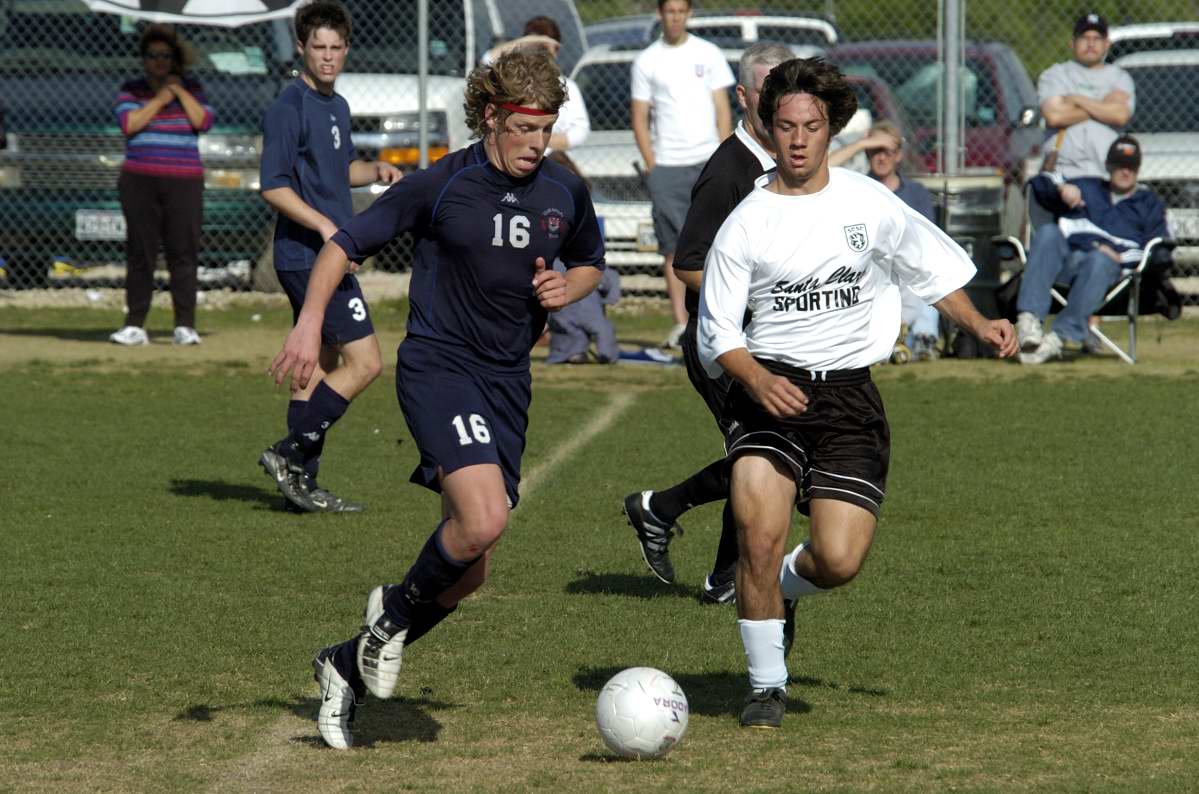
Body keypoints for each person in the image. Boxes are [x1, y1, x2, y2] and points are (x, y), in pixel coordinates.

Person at [268, 48, 605, 749]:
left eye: (546, 129)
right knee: (483, 520)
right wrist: (307, 323)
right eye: (525, 128)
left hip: (508, 382)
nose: (537, 143)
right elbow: (342, 245)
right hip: (439, 367)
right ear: (492, 117)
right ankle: (388, 619)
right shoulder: (442, 183)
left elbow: (589, 263)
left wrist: (566, 286)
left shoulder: (564, 190)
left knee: (468, 570)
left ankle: (343, 665)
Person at [697, 57, 1016, 729]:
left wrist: (980, 323)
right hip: (769, 394)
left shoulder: (867, 203)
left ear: (830, 129)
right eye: (785, 126)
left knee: (838, 560)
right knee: (757, 533)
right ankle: (765, 688)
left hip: (848, 400)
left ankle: (779, 588)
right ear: (767, 127)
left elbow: (928, 272)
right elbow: (716, 334)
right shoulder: (746, 222)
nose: (797, 140)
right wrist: (757, 378)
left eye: (811, 127)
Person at [623, 42, 793, 605]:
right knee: (762, 453)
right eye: (768, 89)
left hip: (763, 337)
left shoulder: (785, 162)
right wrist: (754, 298)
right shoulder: (728, 172)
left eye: (788, 86)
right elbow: (688, 264)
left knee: (762, 453)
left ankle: (674, 524)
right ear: (743, 95)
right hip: (720, 342)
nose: (779, 100)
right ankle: (686, 536)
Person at [255, 0, 401, 514]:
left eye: (336, 47)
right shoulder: (289, 107)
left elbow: (337, 171)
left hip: (331, 252)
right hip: (306, 256)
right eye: (318, 47)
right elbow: (273, 185)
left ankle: (300, 482)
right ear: (301, 47)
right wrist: (323, 225)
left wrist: (375, 170)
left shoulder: (336, 105)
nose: (328, 56)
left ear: (347, 49)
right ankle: (288, 453)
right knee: (367, 363)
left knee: (317, 366)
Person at [631, 0, 734, 348]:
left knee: (719, 243)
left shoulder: (709, 53)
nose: (674, 18)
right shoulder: (647, 60)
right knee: (673, 248)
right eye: (669, 11)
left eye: (680, 11)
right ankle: (681, 324)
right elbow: (640, 116)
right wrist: (652, 164)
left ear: (689, 14)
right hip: (667, 165)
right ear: (659, 14)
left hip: (707, 161)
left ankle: (721, 319)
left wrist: (724, 157)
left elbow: (722, 109)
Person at [1016, 135, 1168, 365]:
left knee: (1099, 260)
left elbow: (1158, 248)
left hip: (1110, 274)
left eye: (1131, 167)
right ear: (1108, 166)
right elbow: (1039, 183)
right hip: (1067, 265)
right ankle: (1029, 321)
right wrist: (1062, 188)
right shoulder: (1089, 187)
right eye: (1119, 165)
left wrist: (1120, 257)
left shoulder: (1148, 203)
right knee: (1048, 233)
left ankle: (1057, 339)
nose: (1125, 171)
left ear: (1138, 169)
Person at [109, 25, 213, 347]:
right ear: (143, 59)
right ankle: (134, 325)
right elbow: (129, 124)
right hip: (140, 180)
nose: (159, 61)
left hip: (184, 181)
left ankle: (185, 325)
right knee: (141, 253)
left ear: (175, 60)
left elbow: (203, 121)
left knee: (183, 252)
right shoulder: (131, 90)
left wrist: (178, 91)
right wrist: (160, 99)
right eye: (152, 56)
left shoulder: (193, 88)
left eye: (165, 56)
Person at [830, 120, 942, 360]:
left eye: (887, 151)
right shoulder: (855, 188)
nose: (881, 158)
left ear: (898, 155)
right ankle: (898, 342)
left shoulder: (916, 193)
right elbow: (823, 169)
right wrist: (861, 143)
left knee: (926, 277)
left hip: (907, 268)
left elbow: (926, 241)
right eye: (874, 151)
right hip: (869, 270)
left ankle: (922, 340)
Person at [1038, 13, 1135, 180]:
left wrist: (1076, 99)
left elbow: (1120, 116)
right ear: (1072, 43)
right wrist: (1103, 105)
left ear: (1107, 44)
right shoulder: (1055, 74)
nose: (1091, 44)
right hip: (1063, 172)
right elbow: (1055, 116)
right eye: (1084, 37)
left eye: (1097, 38)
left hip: (1107, 174)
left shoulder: (1119, 77)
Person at [484, 16, 590, 153]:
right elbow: (486, 61)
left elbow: (580, 131)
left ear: (556, 50)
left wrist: (539, 140)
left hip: (552, 157)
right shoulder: (508, 81)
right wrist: (526, 42)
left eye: (545, 47)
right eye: (535, 46)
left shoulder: (568, 86)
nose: (540, 52)